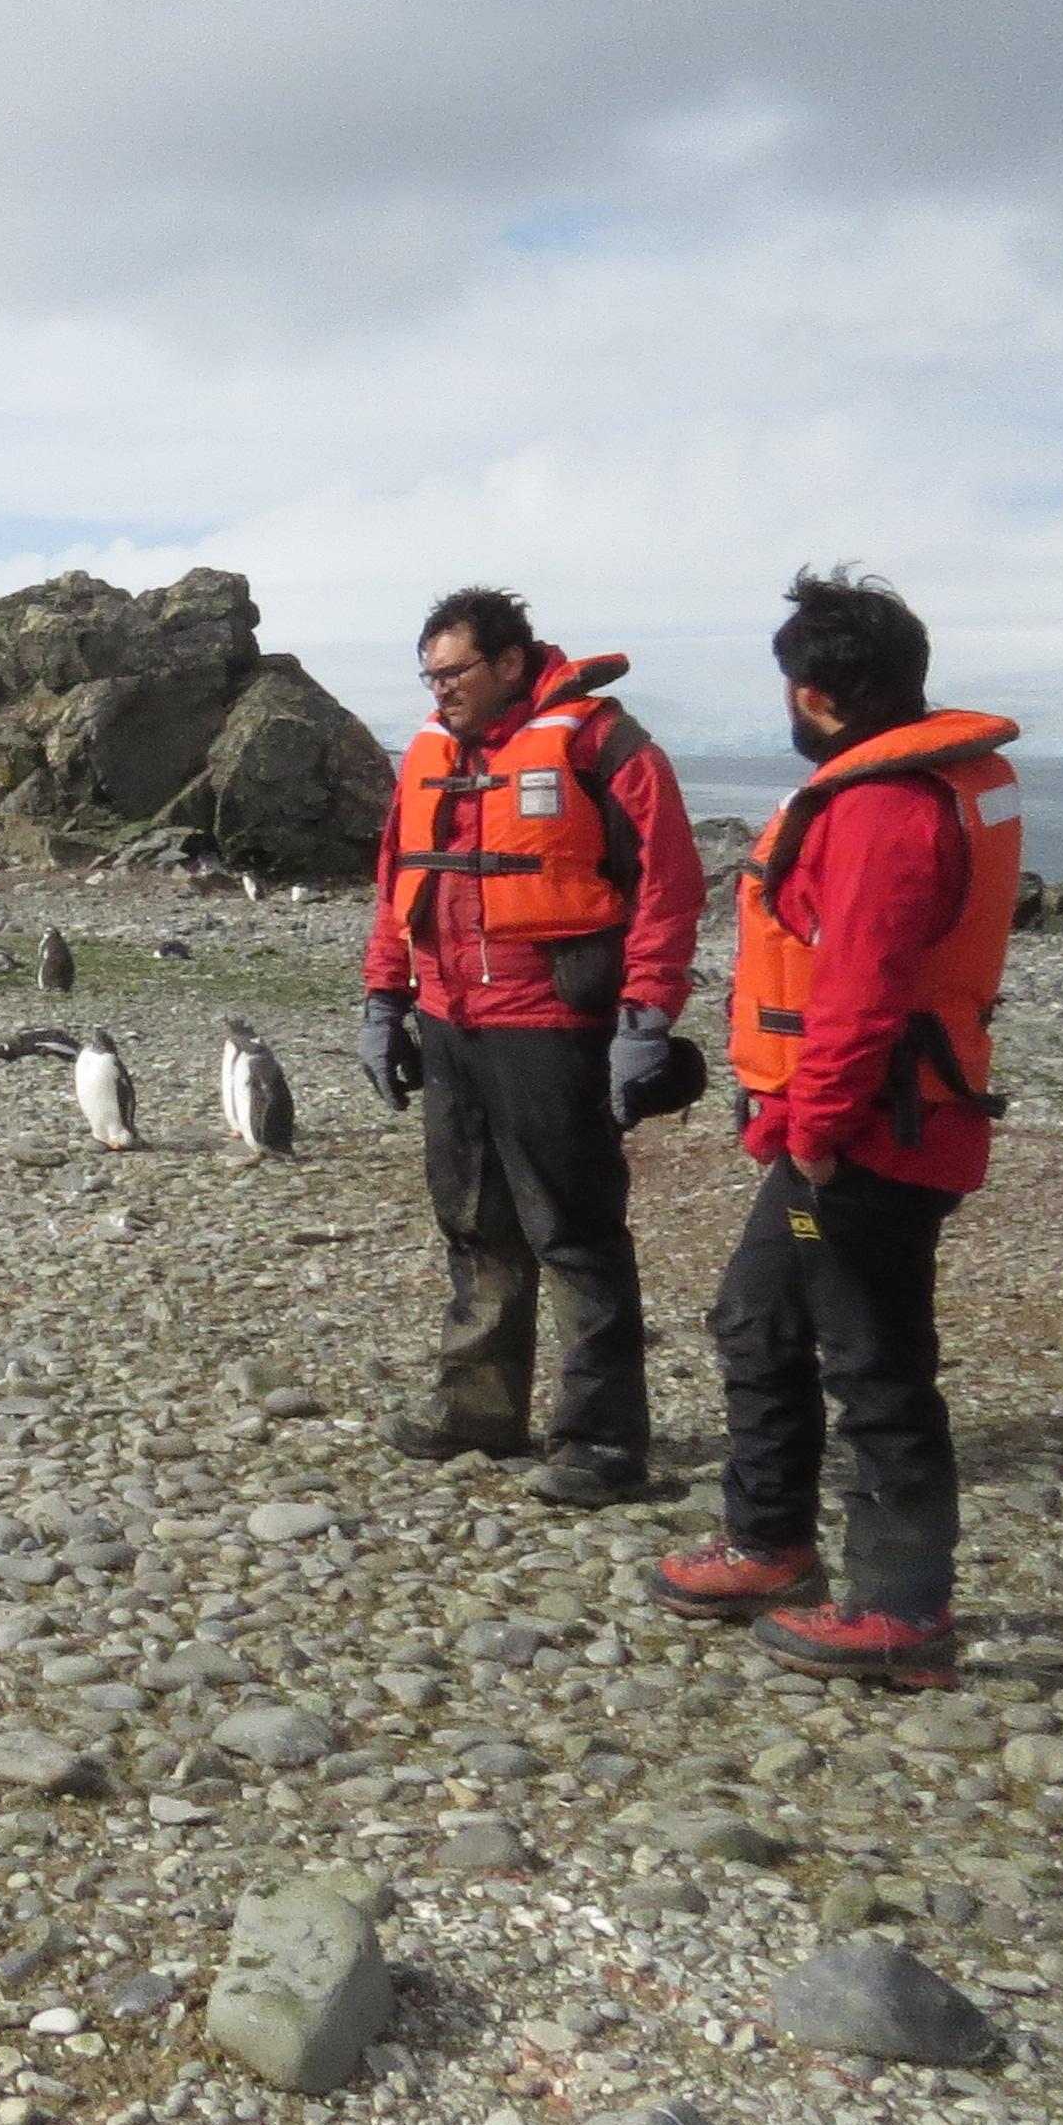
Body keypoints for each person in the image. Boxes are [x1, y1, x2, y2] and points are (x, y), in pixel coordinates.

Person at [652, 572, 1019, 1687]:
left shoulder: (881, 810)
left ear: (812, 697)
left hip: (871, 1133)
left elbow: (859, 986)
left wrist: (808, 1126)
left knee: (873, 1357)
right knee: (758, 1316)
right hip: (865, 1120)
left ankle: (904, 1612)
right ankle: (769, 1542)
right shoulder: (926, 786)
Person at [360, 585, 704, 1505]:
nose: (439, 694)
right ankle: (477, 1407)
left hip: (553, 1025)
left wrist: (644, 1020)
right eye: (429, 676)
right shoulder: (430, 757)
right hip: (452, 1023)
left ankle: (600, 1440)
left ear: (512, 662)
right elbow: (399, 880)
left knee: (576, 1232)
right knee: (472, 1220)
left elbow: (669, 887)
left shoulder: (604, 745)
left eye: (454, 673)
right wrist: (383, 1001)